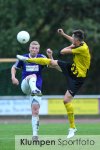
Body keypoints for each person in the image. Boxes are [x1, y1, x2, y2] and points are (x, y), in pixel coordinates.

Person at [16, 29, 91, 138]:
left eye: (73, 38)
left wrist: (70, 46)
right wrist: (64, 35)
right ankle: (28, 59)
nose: (72, 39)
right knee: (51, 62)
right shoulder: (81, 43)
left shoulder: (82, 48)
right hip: (73, 68)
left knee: (66, 100)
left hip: (78, 77)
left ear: (77, 40)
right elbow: (73, 42)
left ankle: (72, 128)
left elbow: (63, 51)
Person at [11, 41, 46, 140]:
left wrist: (50, 56)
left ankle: (35, 135)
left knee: (35, 111)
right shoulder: (23, 57)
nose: (34, 49)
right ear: (29, 48)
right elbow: (14, 68)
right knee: (32, 76)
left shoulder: (42, 57)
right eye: (32, 48)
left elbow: (52, 64)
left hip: (37, 88)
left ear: (38, 50)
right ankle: (34, 89)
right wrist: (13, 77)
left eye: (36, 48)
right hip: (25, 86)